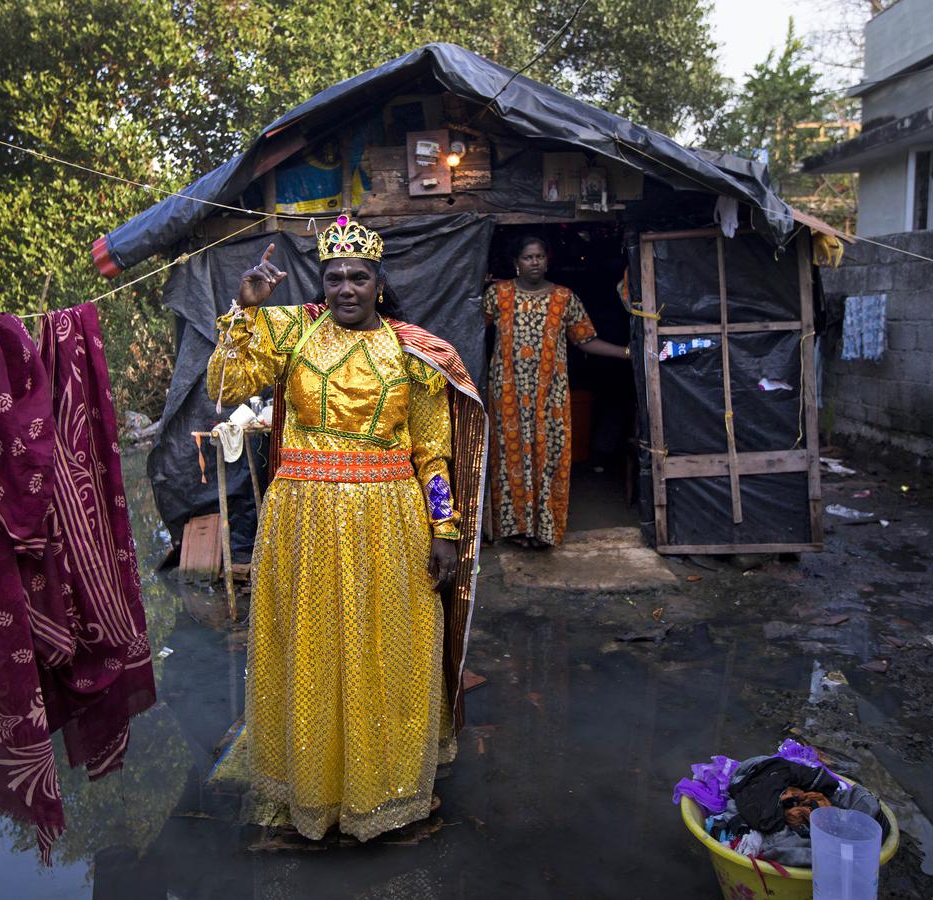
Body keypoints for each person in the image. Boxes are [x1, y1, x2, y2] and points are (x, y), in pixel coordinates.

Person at [206, 216, 487, 842]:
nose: (345, 288)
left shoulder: (413, 352)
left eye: (358, 277)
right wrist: (244, 311)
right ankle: (311, 787)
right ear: (322, 282)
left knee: (385, 644)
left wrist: (446, 528)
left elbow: (433, 451)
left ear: (379, 282)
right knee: (308, 644)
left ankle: (381, 788)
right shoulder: (290, 331)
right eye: (334, 277)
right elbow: (225, 388)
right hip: (300, 515)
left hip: (389, 516)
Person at [483, 235, 629, 548]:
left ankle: (544, 529)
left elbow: (586, 340)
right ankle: (517, 529)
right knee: (510, 456)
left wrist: (629, 353)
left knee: (548, 456)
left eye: (539, 256)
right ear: (515, 263)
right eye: (527, 257)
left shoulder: (564, 297)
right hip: (507, 393)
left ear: (547, 260)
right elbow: (470, 329)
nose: (534, 262)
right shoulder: (499, 295)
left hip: (550, 395)